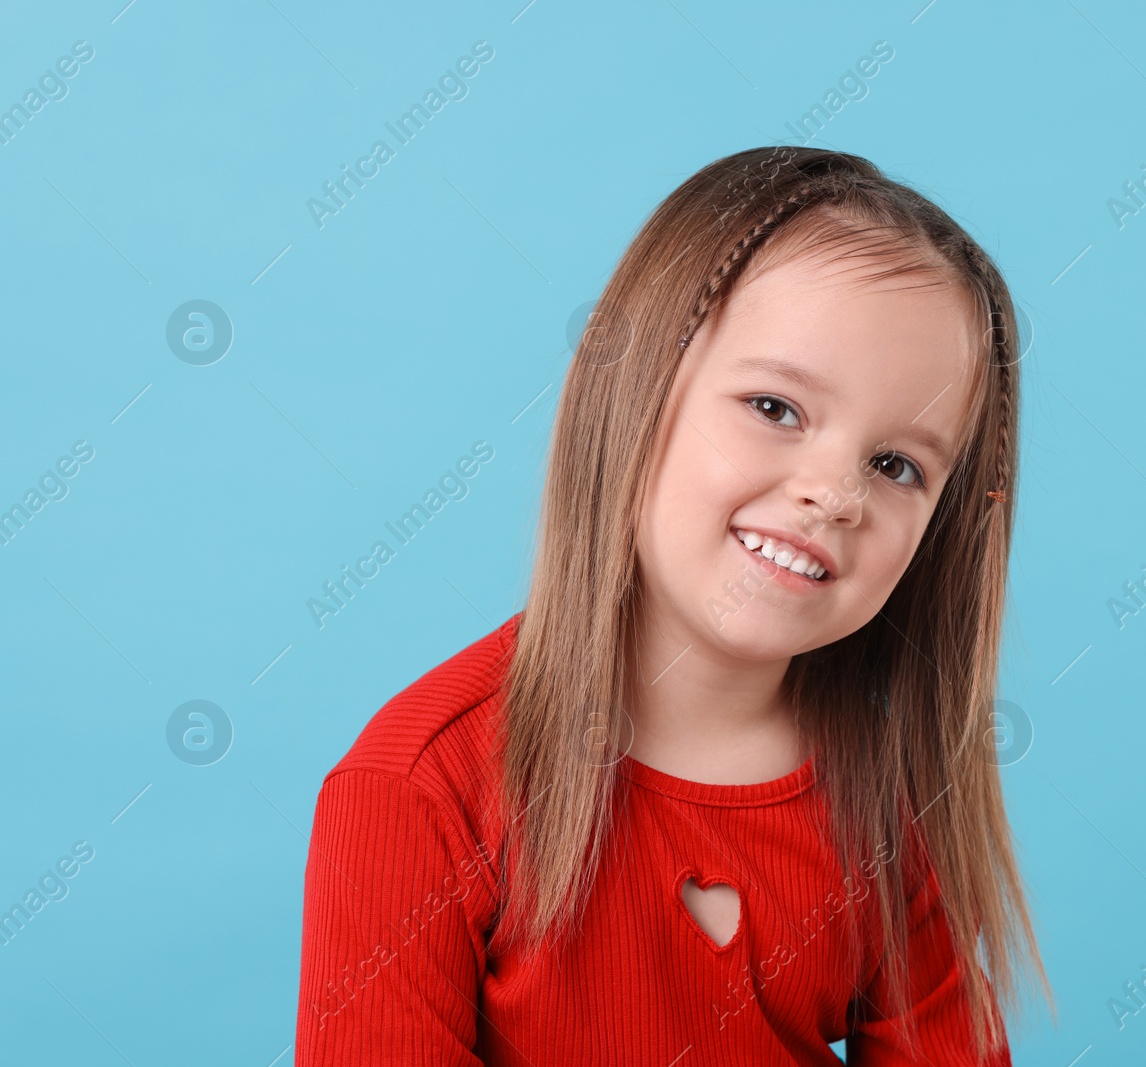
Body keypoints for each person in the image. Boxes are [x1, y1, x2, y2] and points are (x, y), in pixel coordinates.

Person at [294, 145, 1053, 1064]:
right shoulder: (417, 793)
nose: (835, 493)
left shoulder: (881, 805)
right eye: (775, 407)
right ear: (636, 388)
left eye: (896, 466)